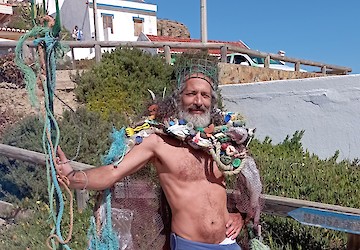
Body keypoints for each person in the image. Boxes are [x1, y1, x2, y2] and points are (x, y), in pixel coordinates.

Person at [57, 59, 261, 250]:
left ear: (212, 102)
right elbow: (112, 173)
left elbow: (245, 188)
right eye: (191, 94)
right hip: (189, 245)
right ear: (178, 98)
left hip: (228, 243)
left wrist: (240, 216)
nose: (198, 101)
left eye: (205, 95)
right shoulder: (158, 141)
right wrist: (72, 177)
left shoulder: (220, 142)